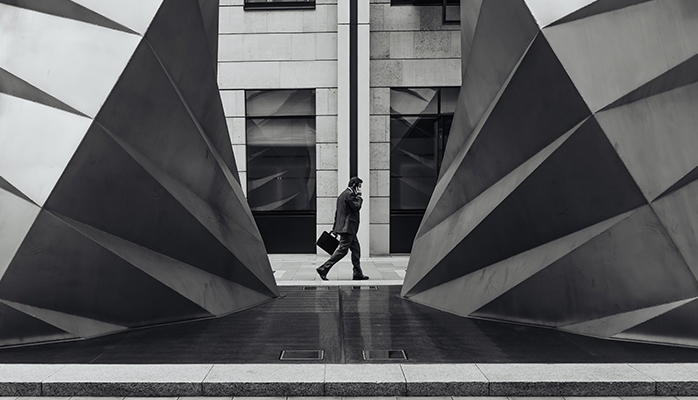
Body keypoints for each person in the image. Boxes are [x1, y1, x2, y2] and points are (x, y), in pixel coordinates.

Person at [316, 176, 369, 281]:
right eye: (359, 186)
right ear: (354, 185)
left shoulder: (342, 195)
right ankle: (323, 268)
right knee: (342, 251)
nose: (360, 189)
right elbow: (356, 207)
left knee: (356, 250)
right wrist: (359, 197)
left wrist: (335, 228)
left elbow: (338, 214)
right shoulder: (350, 195)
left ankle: (357, 273)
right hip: (348, 228)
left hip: (347, 229)